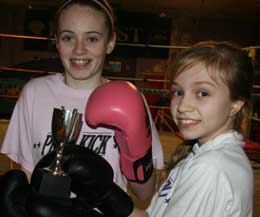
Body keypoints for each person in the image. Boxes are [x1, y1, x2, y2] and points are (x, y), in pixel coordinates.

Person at [0, 0, 164, 201]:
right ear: (57, 42)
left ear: (110, 42)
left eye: (92, 39)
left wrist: (135, 151)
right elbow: (26, 173)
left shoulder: (130, 98)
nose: (79, 50)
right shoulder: (35, 93)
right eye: (68, 37)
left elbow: (145, 194)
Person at [128, 41, 255, 217]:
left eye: (203, 93)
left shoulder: (211, 168)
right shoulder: (207, 155)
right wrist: (108, 198)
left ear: (235, 105)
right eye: (178, 92)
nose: (182, 106)